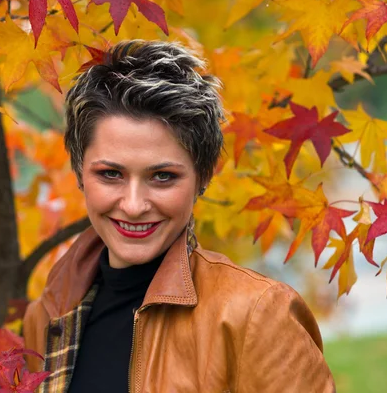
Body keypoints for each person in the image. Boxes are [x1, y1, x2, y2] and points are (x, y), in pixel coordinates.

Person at [23, 39, 335, 393]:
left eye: (162, 176)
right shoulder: (49, 316)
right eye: (110, 174)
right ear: (80, 172)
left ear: (202, 177)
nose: (134, 204)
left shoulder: (256, 314)